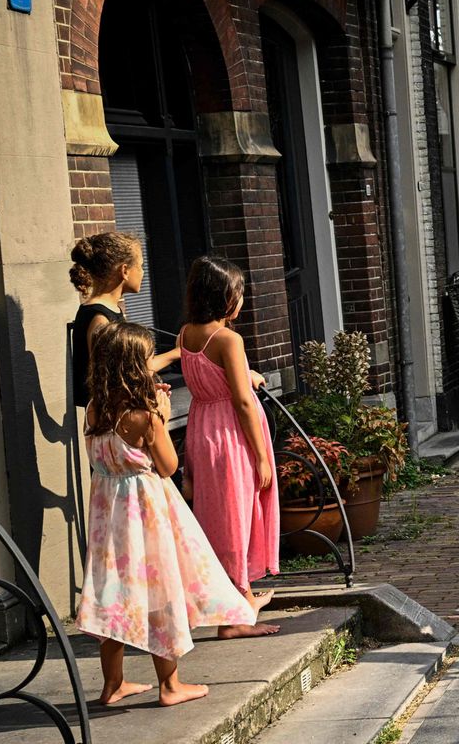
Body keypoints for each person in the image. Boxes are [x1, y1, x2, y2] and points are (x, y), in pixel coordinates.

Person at [77, 322, 258, 708]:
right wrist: (159, 412)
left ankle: (112, 684)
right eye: (146, 360)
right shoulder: (143, 416)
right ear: (134, 367)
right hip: (146, 516)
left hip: (107, 518)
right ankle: (170, 685)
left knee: (114, 596)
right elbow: (168, 466)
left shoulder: (94, 409)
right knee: (160, 596)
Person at [180, 255, 281, 638]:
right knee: (237, 518)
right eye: (239, 293)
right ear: (225, 297)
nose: (243, 300)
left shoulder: (186, 333)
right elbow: (240, 400)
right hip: (231, 438)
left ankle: (242, 597)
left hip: (202, 431)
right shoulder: (228, 338)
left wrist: (246, 373)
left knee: (219, 518)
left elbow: (215, 377)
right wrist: (259, 455)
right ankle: (234, 619)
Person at [68, 232, 179, 407]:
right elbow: (109, 381)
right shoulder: (100, 319)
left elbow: (131, 368)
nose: (143, 272)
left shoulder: (111, 310)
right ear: (125, 271)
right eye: (140, 266)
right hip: (110, 422)